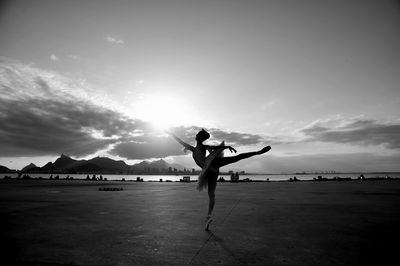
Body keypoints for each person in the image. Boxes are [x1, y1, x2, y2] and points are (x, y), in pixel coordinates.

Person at [168, 129, 271, 230]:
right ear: (199, 138)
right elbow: (181, 141)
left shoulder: (198, 148)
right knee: (212, 194)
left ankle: (258, 152)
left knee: (236, 159)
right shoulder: (196, 148)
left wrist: (226, 147)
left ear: (198, 138)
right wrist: (226, 147)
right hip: (211, 170)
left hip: (212, 165)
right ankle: (208, 217)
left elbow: (213, 147)